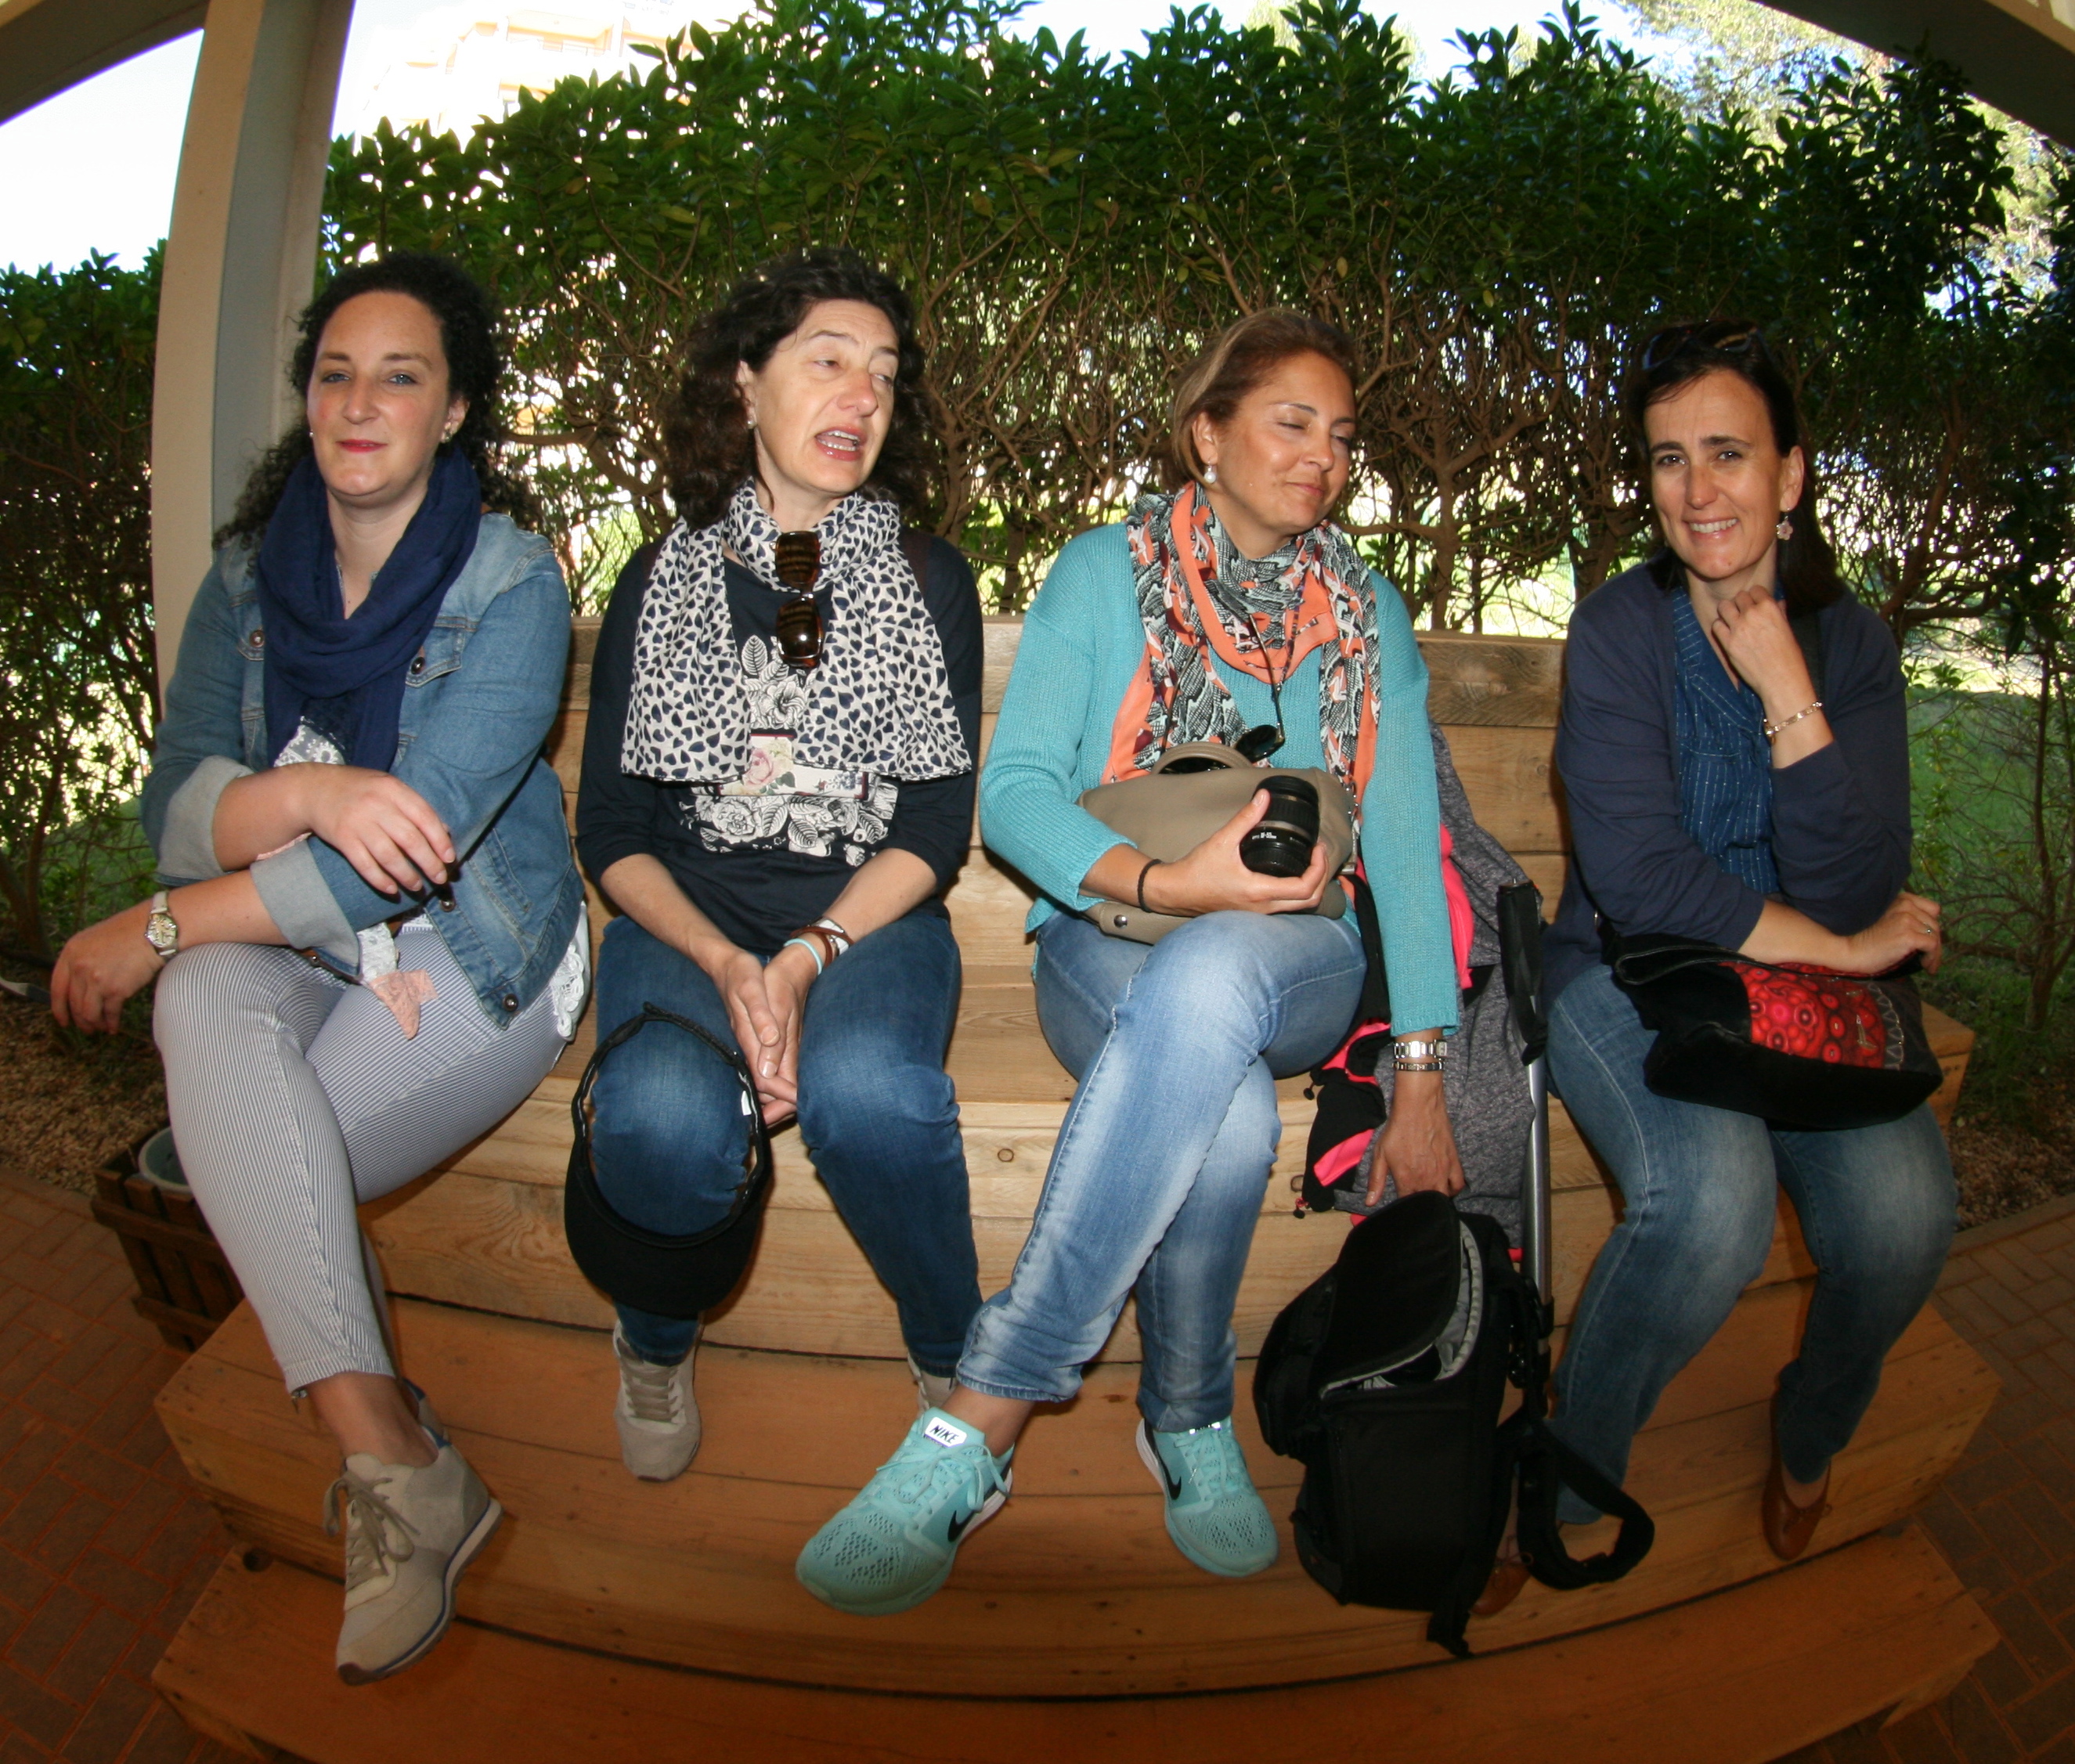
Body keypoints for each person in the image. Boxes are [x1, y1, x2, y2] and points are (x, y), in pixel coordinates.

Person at [797, 309, 1465, 1617]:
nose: (1323, 456)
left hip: (1297, 960)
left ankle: (983, 1413)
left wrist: (1422, 1073)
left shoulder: (1365, 611)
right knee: (1224, 1120)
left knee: (1217, 976)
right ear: (1206, 432)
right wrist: (1169, 884)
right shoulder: (1104, 573)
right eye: (1291, 422)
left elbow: (1399, 839)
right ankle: (1187, 1411)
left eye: (1341, 436)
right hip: (1104, 938)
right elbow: (1015, 797)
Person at [52, 254, 586, 1682]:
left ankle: (391, 1454)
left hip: (477, 952)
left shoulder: (511, 582)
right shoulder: (247, 577)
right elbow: (173, 807)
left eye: (401, 376)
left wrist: (163, 922)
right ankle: (398, 1459)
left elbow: (403, 860)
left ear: (453, 410)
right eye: (336, 372)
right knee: (211, 1008)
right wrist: (307, 792)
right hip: (298, 945)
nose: (360, 402)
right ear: (307, 397)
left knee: (242, 1142)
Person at [1525, 319, 1953, 1598]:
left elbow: (1853, 877)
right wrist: (1844, 949)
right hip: (1627, 971)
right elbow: (1642, 882)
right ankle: (1570, 1473)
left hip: (1805, 991)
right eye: (1669, 458)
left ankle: (1810, 1425)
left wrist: (1783, 687)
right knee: (1707, 1210)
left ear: (1790, 473)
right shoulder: (1619, 630)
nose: (1697, 489)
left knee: (1904, 1221)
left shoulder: (1850, 646)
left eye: (1727, 452)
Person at [574, 249, 984, 1484]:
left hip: (866, 924)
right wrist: (721, 960)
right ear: (745, 386)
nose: (862, 394)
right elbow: (614, 829)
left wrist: (804, 959)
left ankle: (952, 1352)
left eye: (884, 374)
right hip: (686, 918)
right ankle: (655, 1336)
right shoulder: (660, 578)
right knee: (657, 1113)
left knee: (874, 1096)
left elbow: (930, 830)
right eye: (827, 361)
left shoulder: (927, 581)